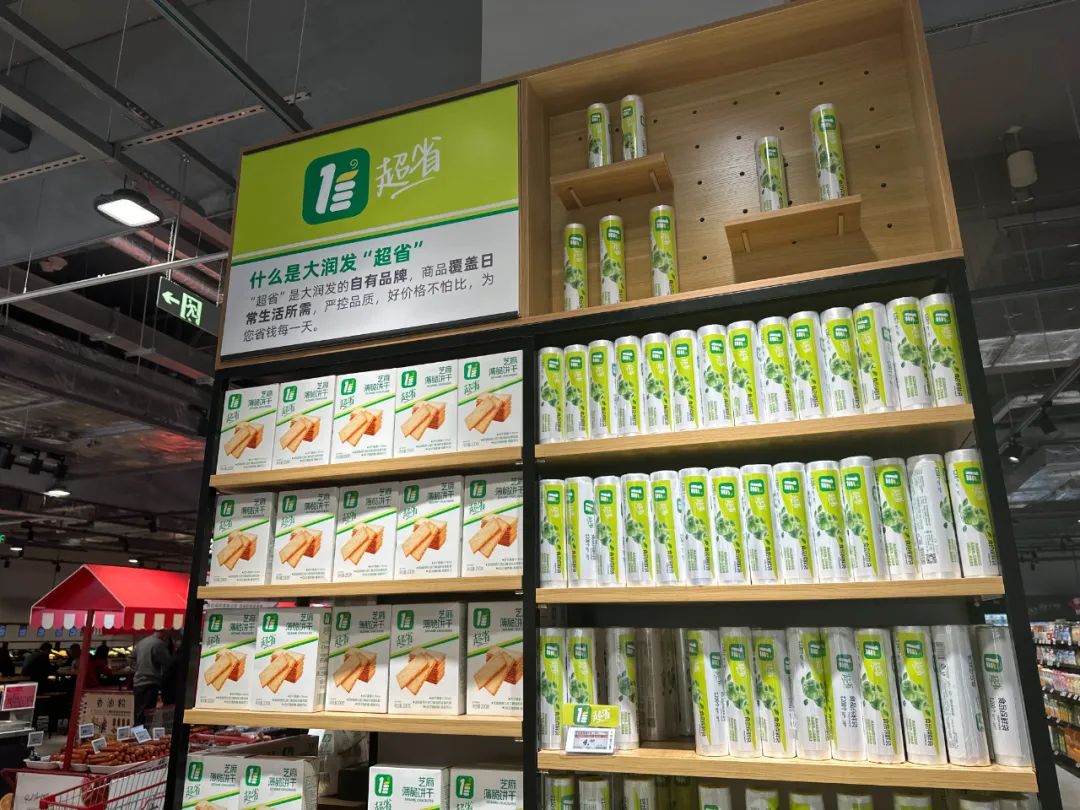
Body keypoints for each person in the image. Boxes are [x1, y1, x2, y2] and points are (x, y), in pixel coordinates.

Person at [132, 631, 171, 726]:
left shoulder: (141, 642)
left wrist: (137, 669)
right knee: (147, 713)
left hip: (138, 682)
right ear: (163, 633)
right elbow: (168, 662)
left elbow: (130, 658)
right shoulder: (159, 644)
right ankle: (143, 733)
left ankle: (137, 732)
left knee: (138, 712)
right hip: (151, 681)